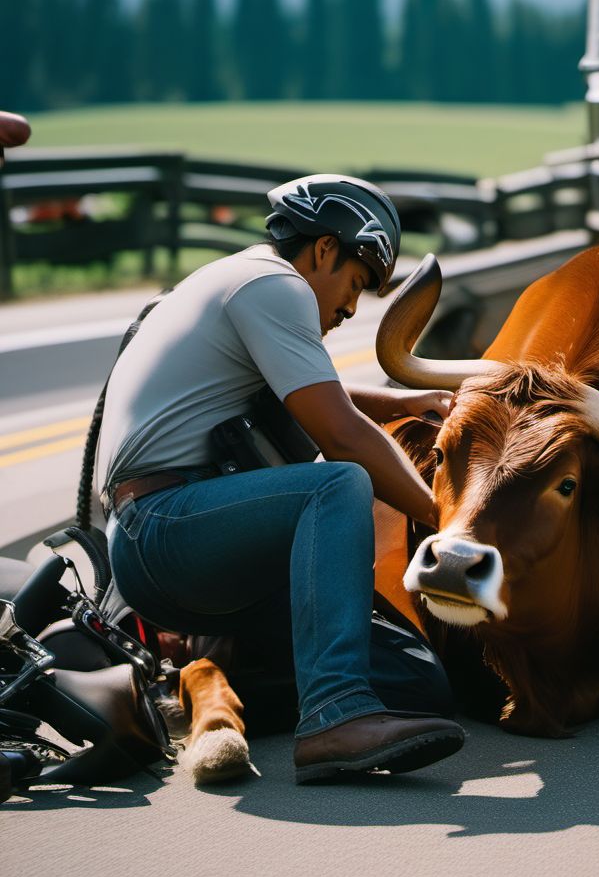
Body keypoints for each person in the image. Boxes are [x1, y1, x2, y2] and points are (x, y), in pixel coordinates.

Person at [96, 173, 465, 783]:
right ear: (324, 248)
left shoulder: (241, 281)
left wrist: (402, 403)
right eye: (355, 282)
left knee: (416, 681)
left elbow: (319, 394)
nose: (349, 309)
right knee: (339, 482)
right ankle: (334, 717)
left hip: (192, 544)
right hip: (162, 531)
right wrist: (448, 523)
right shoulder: (273, 284)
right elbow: (339, 431)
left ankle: (212, 687)